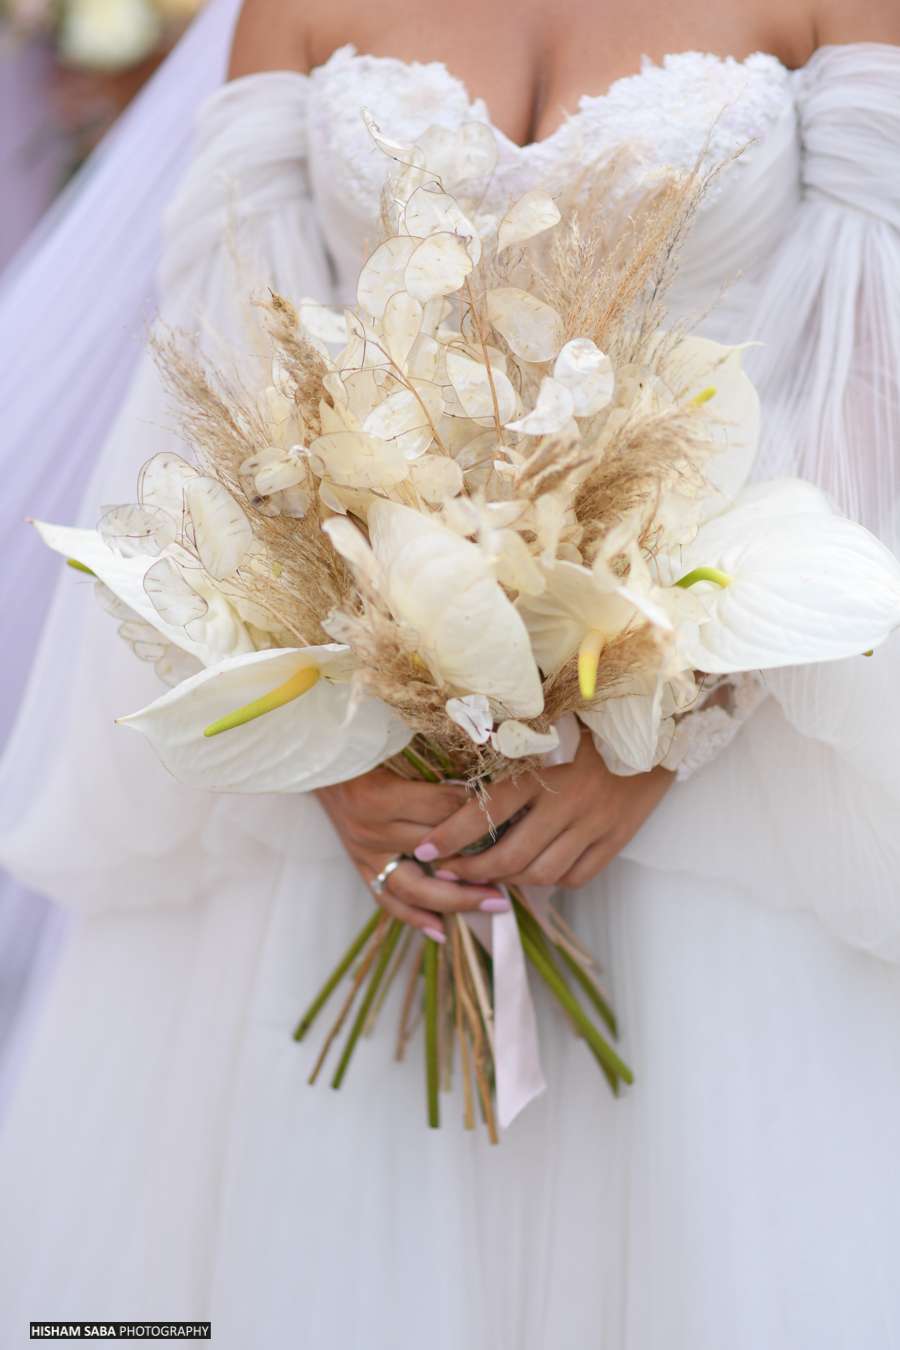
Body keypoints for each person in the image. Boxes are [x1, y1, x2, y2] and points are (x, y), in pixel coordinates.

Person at [1, 0, 900, 1344]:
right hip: (366, 779)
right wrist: (330, 740)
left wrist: (678, 726)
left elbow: (869, 370)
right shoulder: (287, 11)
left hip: (733, 742)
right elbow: (226, 365)